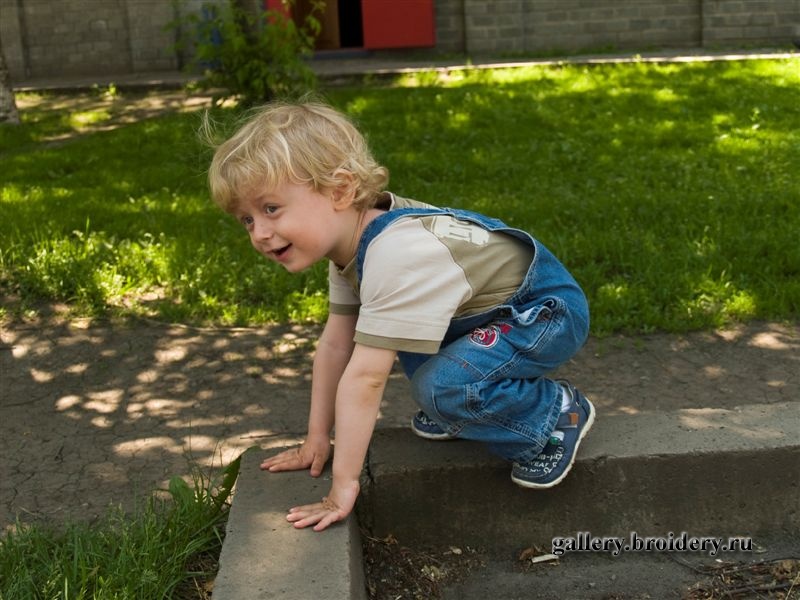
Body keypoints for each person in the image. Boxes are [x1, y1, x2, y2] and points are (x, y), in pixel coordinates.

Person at [207, 100, 594, 532]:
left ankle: (553, 414)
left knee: (443, 388)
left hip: (543, 312)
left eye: (271, 209)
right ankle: (460, 406)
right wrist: (316, 439)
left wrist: (343, 486)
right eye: (246, 219)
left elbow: (366, 378)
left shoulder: (394, 254)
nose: (259, 233)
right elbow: (336, 346)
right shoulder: (349, 243)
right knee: (399, 339)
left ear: (339, 191)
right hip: (488, 314)